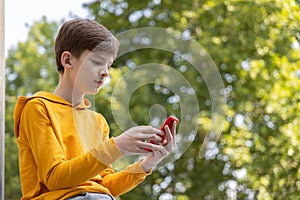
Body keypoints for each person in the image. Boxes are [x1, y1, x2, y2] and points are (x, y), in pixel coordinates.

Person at [13, 19, 177, 200]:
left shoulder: (98, 122)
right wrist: (118, 147)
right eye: (98, 62)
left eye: (109, 65)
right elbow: (55, 178)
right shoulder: (38, 107)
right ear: (68, 60)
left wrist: (148, 162)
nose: (106, 72)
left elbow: (105, 186)